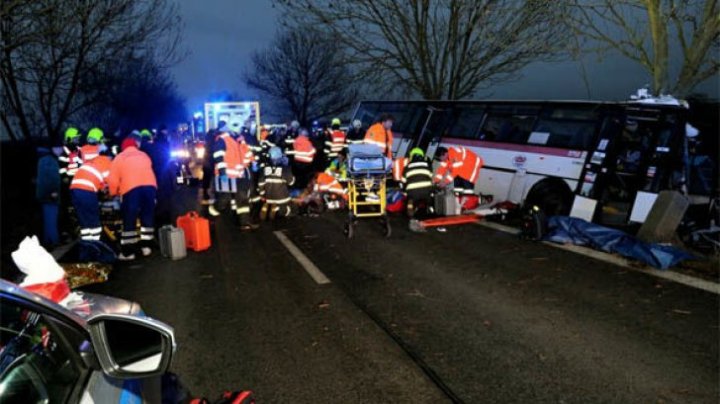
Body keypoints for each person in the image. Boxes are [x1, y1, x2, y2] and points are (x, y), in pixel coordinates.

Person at [107, 135, 158, 261]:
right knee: (147, 217)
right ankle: (146, 247)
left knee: (129, 218)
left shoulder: (120, 157)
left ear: (123, 147)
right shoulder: (144, 155)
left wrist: (113, 193)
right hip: (150, 188)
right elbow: (150, 171)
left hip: (131, 190)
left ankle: (128, 252)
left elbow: (113, 179)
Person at [70, 146, 112, 249]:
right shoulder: (106, 161)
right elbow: (109, 182)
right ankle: (96, 247)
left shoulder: (92, 161)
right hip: (87, 190)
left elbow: (99, 180)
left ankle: (87, 246)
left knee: (84, 221)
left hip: (74, 189)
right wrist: (111, 193)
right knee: (94, 221)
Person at [208, 125, 243, 218]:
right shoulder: (222, 139)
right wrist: (222, 172)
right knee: (225, 197)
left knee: (233, 196)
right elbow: (218, 157)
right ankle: (213, 212)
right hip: (226, 174)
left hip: (235, 174)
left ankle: (232, 214)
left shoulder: (234, 139)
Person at [36, 140, 62, 248]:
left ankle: (47, 242)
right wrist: (54, 192)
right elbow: (52, 179)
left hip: (44, 195)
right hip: (50, 195)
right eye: (59, 148)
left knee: (47, 219)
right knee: (51, 219)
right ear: (54, 149)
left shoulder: (44, 159)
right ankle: (55, 242)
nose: (61, 151)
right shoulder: (50, 160)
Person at [259, 147, 295, 220]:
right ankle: (277, 209)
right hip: (282, 198)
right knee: (292, 209)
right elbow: (291, 182)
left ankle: (270, 206)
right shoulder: (284, 168)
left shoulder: (265, 168)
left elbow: (260, 183)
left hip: (268, 197)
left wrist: (262, 194)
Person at [402, 148, 434, 218]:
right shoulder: (428, 165)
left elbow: (403, 181)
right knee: (430, 197)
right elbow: (431, 177)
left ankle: (410, 210)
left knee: (410, 200)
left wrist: (404, 192)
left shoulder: (407, 167)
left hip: (412, 192)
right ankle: (431, 208)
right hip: (427, 191)